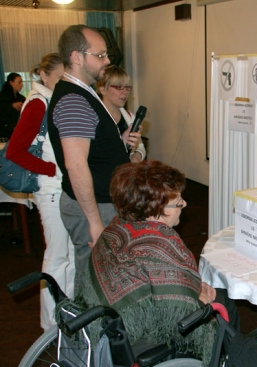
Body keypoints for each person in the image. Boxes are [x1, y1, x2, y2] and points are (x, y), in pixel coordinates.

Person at [78, 160, 239, 360]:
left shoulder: (117, 226)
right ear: (156, 209)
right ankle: (231, 362)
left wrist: (195, 286)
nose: (184, 204)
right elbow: (178, 308)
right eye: (178, 201)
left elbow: (165, 282)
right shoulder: (161, 244)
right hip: (143, 336)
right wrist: (198, 301)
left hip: (110, 322)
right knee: (225, 302)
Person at [48, 25, 142, 290]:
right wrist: (95, 223)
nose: (107, 60)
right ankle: (84, 331)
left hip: (100, 202)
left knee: (103, 275)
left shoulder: (82, 92)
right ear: (77, 57)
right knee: (93, 278)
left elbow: (89, 151)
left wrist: (118, 143)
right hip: (94, 206)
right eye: (100, 55)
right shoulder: (74, 100)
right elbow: (76, 166)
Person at [5, 53, 74, 330]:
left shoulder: (48, 101)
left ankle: (64, 316)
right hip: (51, 190)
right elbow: (14, 151)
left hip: (58, 188)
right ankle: (51, 324)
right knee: (57, 257)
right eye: (59, 79)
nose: (63, 85)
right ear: (44, 76)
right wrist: (49, 170)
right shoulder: (38, 103)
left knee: (66, 256)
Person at [96, 65, 146, 163]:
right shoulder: (94, 118)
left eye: (127, 87)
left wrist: (137, 155)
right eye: (119, 87)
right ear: (102, 89)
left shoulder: (130, 117)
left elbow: (140, 146)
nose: (125, 92)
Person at [0, 72, 26, 139]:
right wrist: (11, 106)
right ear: (11, 83)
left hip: (18, 131)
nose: (22, 84)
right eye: (19, 82)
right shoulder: (2, 97)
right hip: (4, 132)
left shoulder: (21, 98)